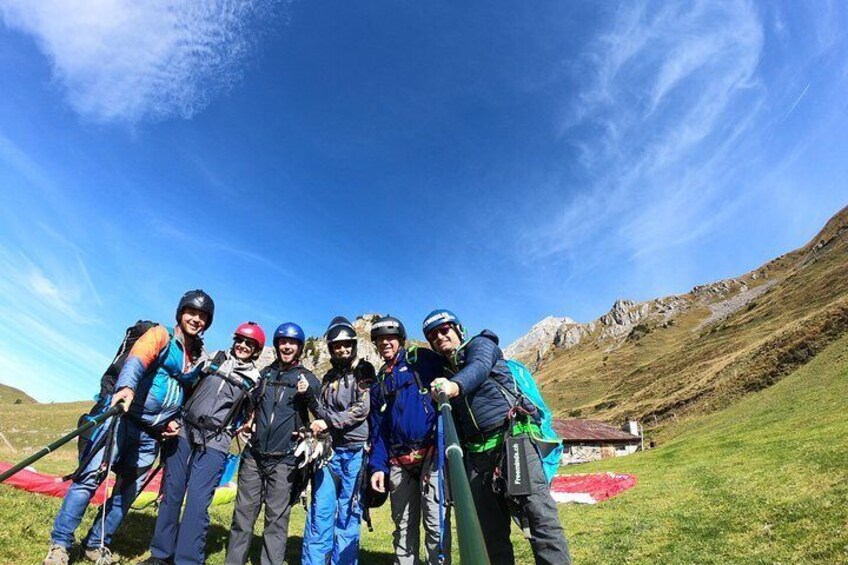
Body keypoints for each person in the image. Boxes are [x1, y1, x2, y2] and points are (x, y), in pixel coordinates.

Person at [43, 289, 214, 565]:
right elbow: (138, 358)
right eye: (191, 312)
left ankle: (96, 543)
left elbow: (182, 394)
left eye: (203, 316)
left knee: (127, 491)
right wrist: (125, 388)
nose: (196, 319)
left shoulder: (197, 357)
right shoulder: (161, 335)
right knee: (89, 479)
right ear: (181, 312)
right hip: (121, 419)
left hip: (150, 435)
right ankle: (60, 544)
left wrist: (174, 420)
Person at [424, 309, 572, 565]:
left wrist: (453, 387)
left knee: (539, 520)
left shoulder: (481, 345)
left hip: (513, 441)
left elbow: (479, 367)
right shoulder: (446, 373)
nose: (439, 336)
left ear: (458, 329)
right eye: (432, 335)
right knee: (489, 533)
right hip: (477, 456)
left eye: (444, 329)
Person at [142, 322, 266, 565]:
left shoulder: (255, 380)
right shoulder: (213, 359)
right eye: (240, 340)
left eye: (249, 344)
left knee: (197, 505)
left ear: (256, 350)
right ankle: (160, 555)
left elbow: (251, 414)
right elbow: (186, 386)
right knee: (171, 495)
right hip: (185, 431)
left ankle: (187, 560)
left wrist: (245, 428)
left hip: (216, 442)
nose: (242, 346)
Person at [225, 322, 320, 565]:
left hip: (285, 460)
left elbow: (321, 415)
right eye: (282, 342)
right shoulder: (264, 374)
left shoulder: (307, 378)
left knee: (276, 521)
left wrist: (307, 393)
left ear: (299, 347)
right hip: (254, 457)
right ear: (277, 345)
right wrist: (248, 420)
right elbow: (250, 405)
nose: (287, 346)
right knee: (242, 516)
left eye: (292, 343)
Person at [368, 316, 452, 565]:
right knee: (403, 528)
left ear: (401, 340)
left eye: (390, 337)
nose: (385, 343)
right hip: (398, 462)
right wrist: (377, 467)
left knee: (437, 526)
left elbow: (452, 368)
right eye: (380, 339)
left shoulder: (423, 360)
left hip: (431, 456)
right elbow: (379, 430)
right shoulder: (380, 381)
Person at [302, 316, 374, 565]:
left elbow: (362, 409)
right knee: (320, 512)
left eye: (346, 344)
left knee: (348, 513)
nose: (342, 349)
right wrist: (309, 398)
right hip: (329, 452)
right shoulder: (329, 377)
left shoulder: (364, 370)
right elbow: (322, 412)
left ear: (353, 345)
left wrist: (329, 422)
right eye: (336, 346)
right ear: (331, 349)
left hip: (355, 452)